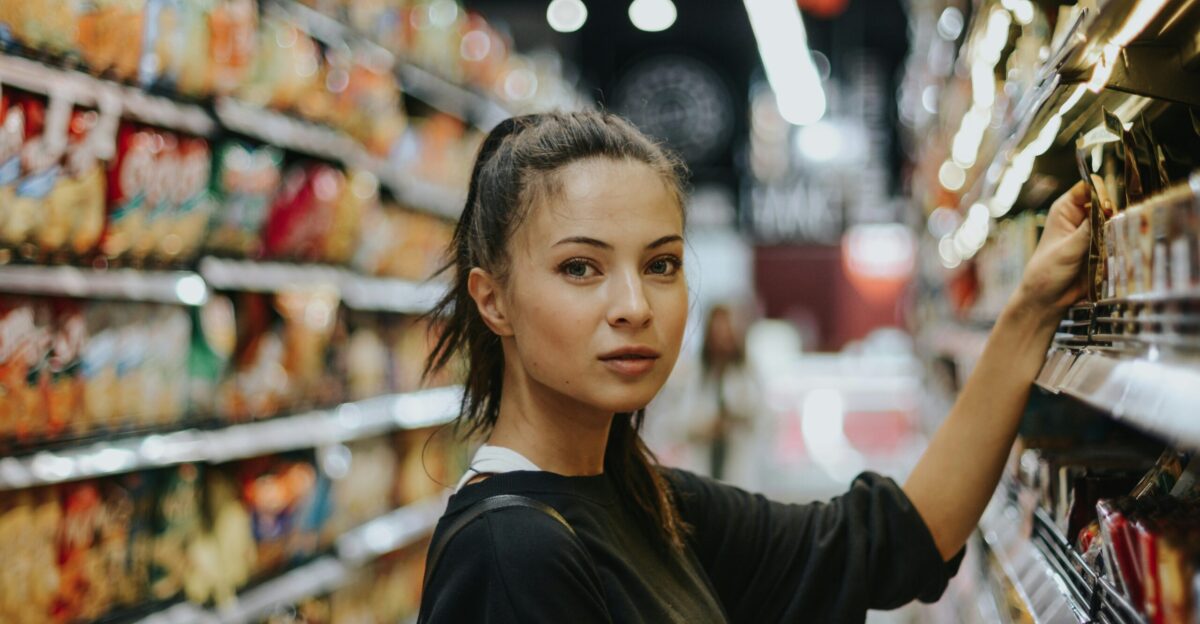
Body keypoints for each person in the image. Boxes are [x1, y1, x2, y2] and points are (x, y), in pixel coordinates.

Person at [416, 111, 1090, 623]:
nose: (633, 305)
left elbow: (893, 540)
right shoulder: (510, 553)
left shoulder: (649, 502)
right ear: (493, 300)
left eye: (661, 265)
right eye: (580, 268)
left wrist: (1032, 308)